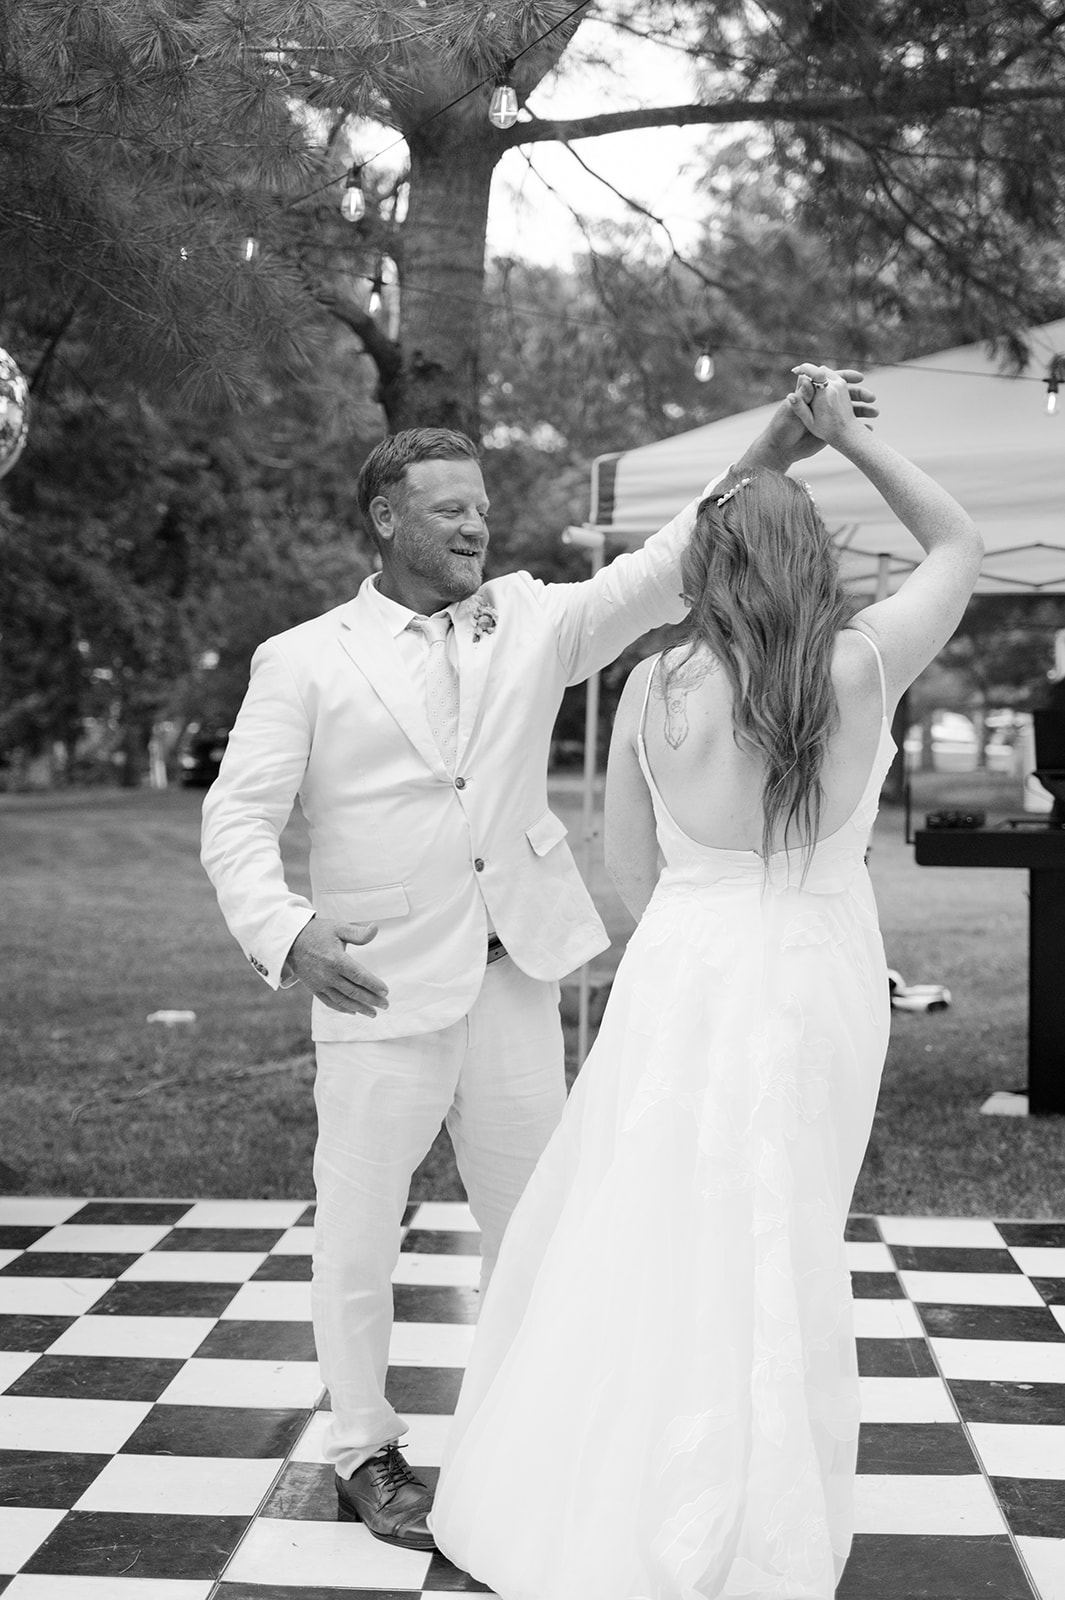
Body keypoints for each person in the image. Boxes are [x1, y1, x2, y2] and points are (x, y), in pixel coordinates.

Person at [199, 375, 876, 1555]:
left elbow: (671, 562)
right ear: (384, 521)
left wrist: (780, 439)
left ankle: (525, 1439)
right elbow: (236, 818)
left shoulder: (533, 618)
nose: (476, 525)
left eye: (483, 505)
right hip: (378, 986)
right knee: (361, 1233)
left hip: (515, 979)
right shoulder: (302, 659)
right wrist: (286, 931)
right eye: (449, 507)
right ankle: (365, 1447)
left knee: (548, 1229)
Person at [429, 365, 983, 1598]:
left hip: (685, 962)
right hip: (814, 971)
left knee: (652, 1216)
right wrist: (846, 441)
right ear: (813, 560)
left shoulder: (652, 688)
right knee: (782, 1225)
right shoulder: (864, 664)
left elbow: (629, 870)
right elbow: (959, 538)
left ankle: (609, 1491)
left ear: (709, 565)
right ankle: (747, 1502)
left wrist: (776, 449)